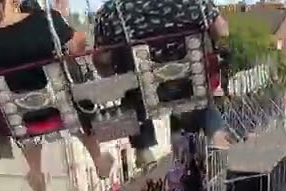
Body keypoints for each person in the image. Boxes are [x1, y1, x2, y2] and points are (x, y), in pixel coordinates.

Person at [0, 0, 112, 191]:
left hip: (18, 121)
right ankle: (98, 159)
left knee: (18, 119)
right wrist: (64, 32)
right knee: (77, 101)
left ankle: (35, 171)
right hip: (64, 111)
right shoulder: (46, 20)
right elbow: (78, 47)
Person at [91, 0, 230, 157]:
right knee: (201, 86)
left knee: (132, 93)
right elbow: (222, 32)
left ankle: (143, 149)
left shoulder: (110, 10)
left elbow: (101, 58)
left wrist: (110, 72)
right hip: (191, 82)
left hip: (144, 94)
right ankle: (216, 133)